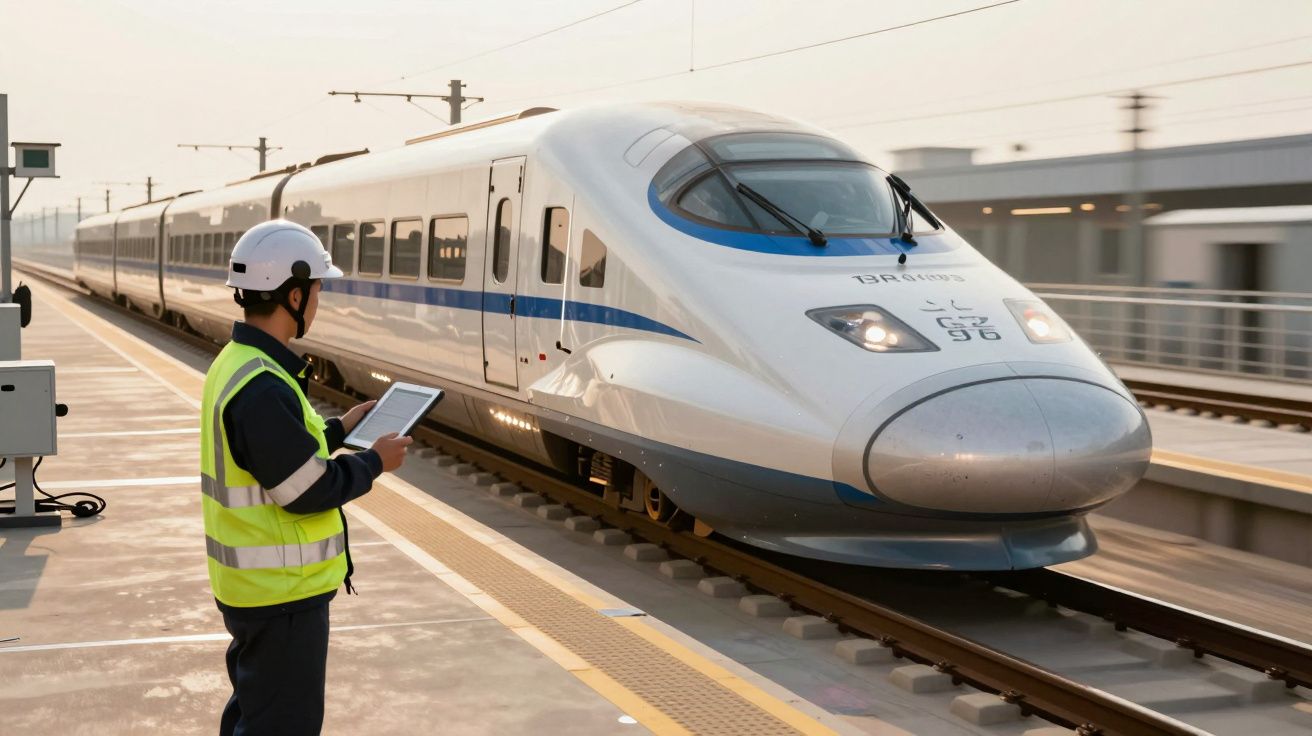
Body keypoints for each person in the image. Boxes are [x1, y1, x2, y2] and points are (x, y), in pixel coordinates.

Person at [199, 220, 412, 735]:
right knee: (282, 726)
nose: (318, 302)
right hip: (282, 598)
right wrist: (375, 462)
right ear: (293, 294)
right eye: (317, 290)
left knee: (255, 715)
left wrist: (342, 428)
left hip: (259, 592)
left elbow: (282, 454)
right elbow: (306, 491)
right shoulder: (262, 386)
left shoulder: (240, 363)